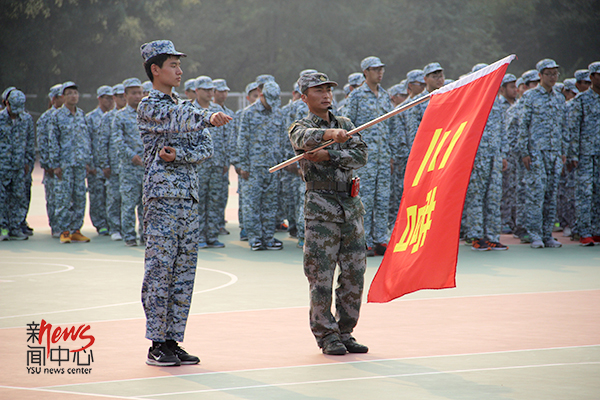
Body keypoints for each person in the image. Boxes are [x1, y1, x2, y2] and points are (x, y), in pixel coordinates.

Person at [138, 39, 232, 366]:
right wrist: (207, 117)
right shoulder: (151, 106)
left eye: (180, 65)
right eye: (173, 65)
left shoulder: (187, 106)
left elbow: (205, 149)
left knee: (183, 272)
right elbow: (180, 118)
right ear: (155, 69)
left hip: (188, 199)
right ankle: (156, 343)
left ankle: (173, 339)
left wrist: (180, 155)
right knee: (160, 270)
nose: (179, 71)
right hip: (162, 199)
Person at [289, 72, 369, 355]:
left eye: (327, 89)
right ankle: (327, 335)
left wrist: (331, 154)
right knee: (320, 276)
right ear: (304, 97)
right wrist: (330, 136)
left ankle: (346, 331)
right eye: (317, 90)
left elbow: (361, 155)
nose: (325, 95)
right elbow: (304, 139)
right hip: (321, 211)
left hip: (350, 208)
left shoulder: (346, 124)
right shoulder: (299, 126)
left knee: (354, 273)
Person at [343, 56, 392, 257]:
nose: (379, 73)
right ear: (365, 72)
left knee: (383, 199)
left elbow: (389, 126)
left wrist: (390, 152)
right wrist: (351, 155)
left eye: (382, 69)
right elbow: (347, 127)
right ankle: (364, 240)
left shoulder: (385, 96)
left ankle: (381, 239)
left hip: (383, 156)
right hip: (364, 158)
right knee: (365, 200)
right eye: (375, 69)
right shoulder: (355, 97)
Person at [518, 59, 566, 249]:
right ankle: (535, 234)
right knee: (535, 194)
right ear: (540, 75)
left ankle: (547, 235)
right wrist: (525, 151)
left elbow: (563, 127)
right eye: (548, 74)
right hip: (536, 152)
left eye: (555, 74)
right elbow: (523, 125)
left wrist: (563, 151)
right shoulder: (530, 97)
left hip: (554, 152)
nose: (553, 77)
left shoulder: (559, 98)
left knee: (551, 194)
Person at [237, 80, 285, 251]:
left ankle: (268, 238)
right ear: (261, 94)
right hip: (254, 168)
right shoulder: (248, 113)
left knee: (270, 205)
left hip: (273, 167)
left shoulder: (278, 114)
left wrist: (282, 165)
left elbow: (283, 141)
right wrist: (243, 165)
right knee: (252, 204)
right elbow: (243, 140)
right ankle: (255, 239)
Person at [48, 82, 92, 244]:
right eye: (70, 93)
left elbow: (86, 139)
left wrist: (88, 161)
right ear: (63, 97)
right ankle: (64, 230)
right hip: (65, 164)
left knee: (80, 197)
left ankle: (76, 230)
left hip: (80, 164)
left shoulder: (81, 115)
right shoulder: (57, 116)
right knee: (64, 198)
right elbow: (53, 141)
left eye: (75, 92)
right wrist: (56, 164)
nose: (74, 96)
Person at [568, 61, 600, 246]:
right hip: (585, 154)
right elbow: (574, 130)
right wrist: (573, 155)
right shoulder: (581, 101)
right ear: (592, 77)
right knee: (585, 193)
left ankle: (596, 230)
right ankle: (584, 231)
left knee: (598, 192)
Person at [0, 89, 35, 241]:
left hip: (19, 166)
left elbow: (30, 142)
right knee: (2, 198)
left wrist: (28, 161)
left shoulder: (26, 119)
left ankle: (15, 228)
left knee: (18, 197)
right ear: (6, 103)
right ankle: (2, 228)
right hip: (3, 166)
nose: (16, 113)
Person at [113, 78, 145, 247]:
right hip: (129, 168)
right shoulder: (120, 116)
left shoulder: (147, 115)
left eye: (140, 93)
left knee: (145, 205)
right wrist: (132, 156)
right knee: (129, 204)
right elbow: (118, 141)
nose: (138, 96)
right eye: (134, 93)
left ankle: (145, 235)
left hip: (146, 168)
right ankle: (129, 235)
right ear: (125, 95)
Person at [98, 83, 127, 241]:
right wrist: (105, 164)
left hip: (128, 166)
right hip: (114, 166)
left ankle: (126, 227)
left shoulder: (132, 115)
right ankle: (115, 228)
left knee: (127, 200)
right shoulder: (108, 117)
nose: (123, 99)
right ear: (114, 98)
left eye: (125, 96)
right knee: (114, 198)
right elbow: (102, 143)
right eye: (120, 96)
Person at [85, 85, 114, 236]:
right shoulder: (90, 118)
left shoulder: (115, 116)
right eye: (106, 98)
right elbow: (86, 142)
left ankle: (112, 222)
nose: (109, 101)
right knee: (97, 196)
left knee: (111, 196)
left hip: (111, 164)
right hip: (96, 165)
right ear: (99, 99)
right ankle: (100, 224)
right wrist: (90, 164)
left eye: (111, 98)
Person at [37, 84, 64, 237]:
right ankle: (56, 226)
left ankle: (66, 226)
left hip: (65, 164)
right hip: (52, 167)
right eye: (61, 96)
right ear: (54, 99)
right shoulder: (46, 117)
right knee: (53, 198)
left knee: (65, 199)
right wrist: (48, 165)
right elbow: (43, 143)